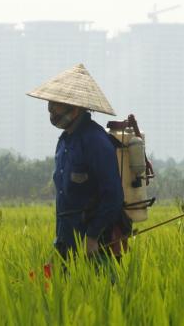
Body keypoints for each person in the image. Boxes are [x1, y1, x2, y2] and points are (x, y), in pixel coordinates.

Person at [26, 64, 126, 260]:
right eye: (50, 104)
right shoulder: (64, 142)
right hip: (66, 240)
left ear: (75, 109)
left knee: (99, 290)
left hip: (96, 244)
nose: (51, 110)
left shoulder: (95, 141)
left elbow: (113, 196)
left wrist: (92, 236)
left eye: (56, 104)